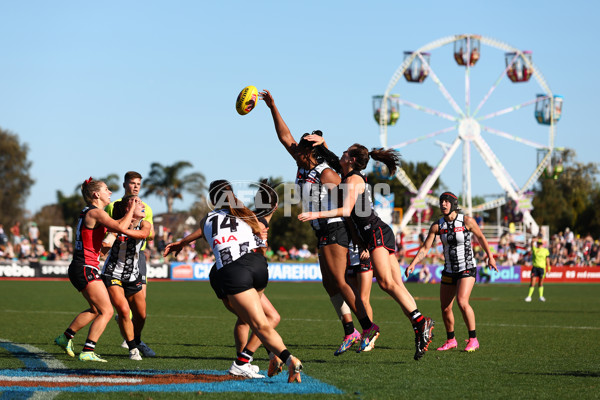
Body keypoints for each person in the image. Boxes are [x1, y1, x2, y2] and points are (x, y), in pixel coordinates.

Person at [262, 89, 375, 356]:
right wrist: (272, 107)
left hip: (335, 226)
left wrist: (361, 238)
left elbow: (352, 203)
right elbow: (284, 137)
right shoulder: (303, 165)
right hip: (320, 229)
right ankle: (350, 331)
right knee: (329, 284)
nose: (295, 150)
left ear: (311, 151)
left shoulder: (325, 173)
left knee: (340, 280)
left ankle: (369, 327)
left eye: (300, 148)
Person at [299, 143, 435, 360]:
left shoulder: (353, 180)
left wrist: (315, 215)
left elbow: (345, 211)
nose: (341, 155)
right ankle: (420, 327)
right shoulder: (348, 176)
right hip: (373, 234)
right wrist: (322, 145)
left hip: (376, 232)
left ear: (352, 160)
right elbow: (335, 160)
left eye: (345, 153)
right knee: (396, 285)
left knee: (386, 283)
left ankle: (421, 322)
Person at [163, 180, 303, 383]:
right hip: (258, 266)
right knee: (268, 318)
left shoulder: (208, 218)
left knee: (253, 321)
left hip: (231, 271)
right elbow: (263, 237)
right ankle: (254, 359)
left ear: (213, 200)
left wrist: (182, 242)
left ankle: (280, 359)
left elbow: (203, 230)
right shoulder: (247, 214)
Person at [54, 178, 143, 362]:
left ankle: (66, 337)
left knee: (96, 309)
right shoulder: (96, 212)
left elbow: (111, 234)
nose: (110, 192)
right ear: (96, 195)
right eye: (106, 189)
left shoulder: (91, 212)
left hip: (82, 266)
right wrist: (132, 210)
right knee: (107, 311)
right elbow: (119, 226)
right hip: (85, 267)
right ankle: (87, 350)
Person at [406, 192, 497, 353]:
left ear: (453, 204)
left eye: (446, 202)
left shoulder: (467, 221)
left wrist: (490, 257)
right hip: (449, 270)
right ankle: (451, 340)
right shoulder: (437, 226)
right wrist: (413, 263)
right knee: (445, 308)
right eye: (441, 202)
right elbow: (426, 248)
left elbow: (481, 238)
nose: (443, 204)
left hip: (466, 267)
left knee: (462, 302)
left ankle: (473, 339)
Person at [104, 171, 156, 357]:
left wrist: (127, 230)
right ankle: (131, 342)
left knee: (141, 311)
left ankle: (135, 338)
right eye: (132, 183)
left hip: (136, 257)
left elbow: (149, 234)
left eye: (138, 184)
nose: (135, 186)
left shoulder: (146, 208)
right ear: (125, 184)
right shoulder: (111, 206)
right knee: (123, 309)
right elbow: (106, 231)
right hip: (116, 259)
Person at [525, 238, 551, 302]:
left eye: (540, 243)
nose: (539, 244)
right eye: (538, 243)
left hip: (542, 268)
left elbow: (547, 259)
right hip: (535, 268)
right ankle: (529, 296)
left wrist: (549, 267)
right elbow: (532, 242)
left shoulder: (545, 250)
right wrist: (536, 239)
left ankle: (541, 296)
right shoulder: (535, 249)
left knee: (540, 283)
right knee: (532, 282)